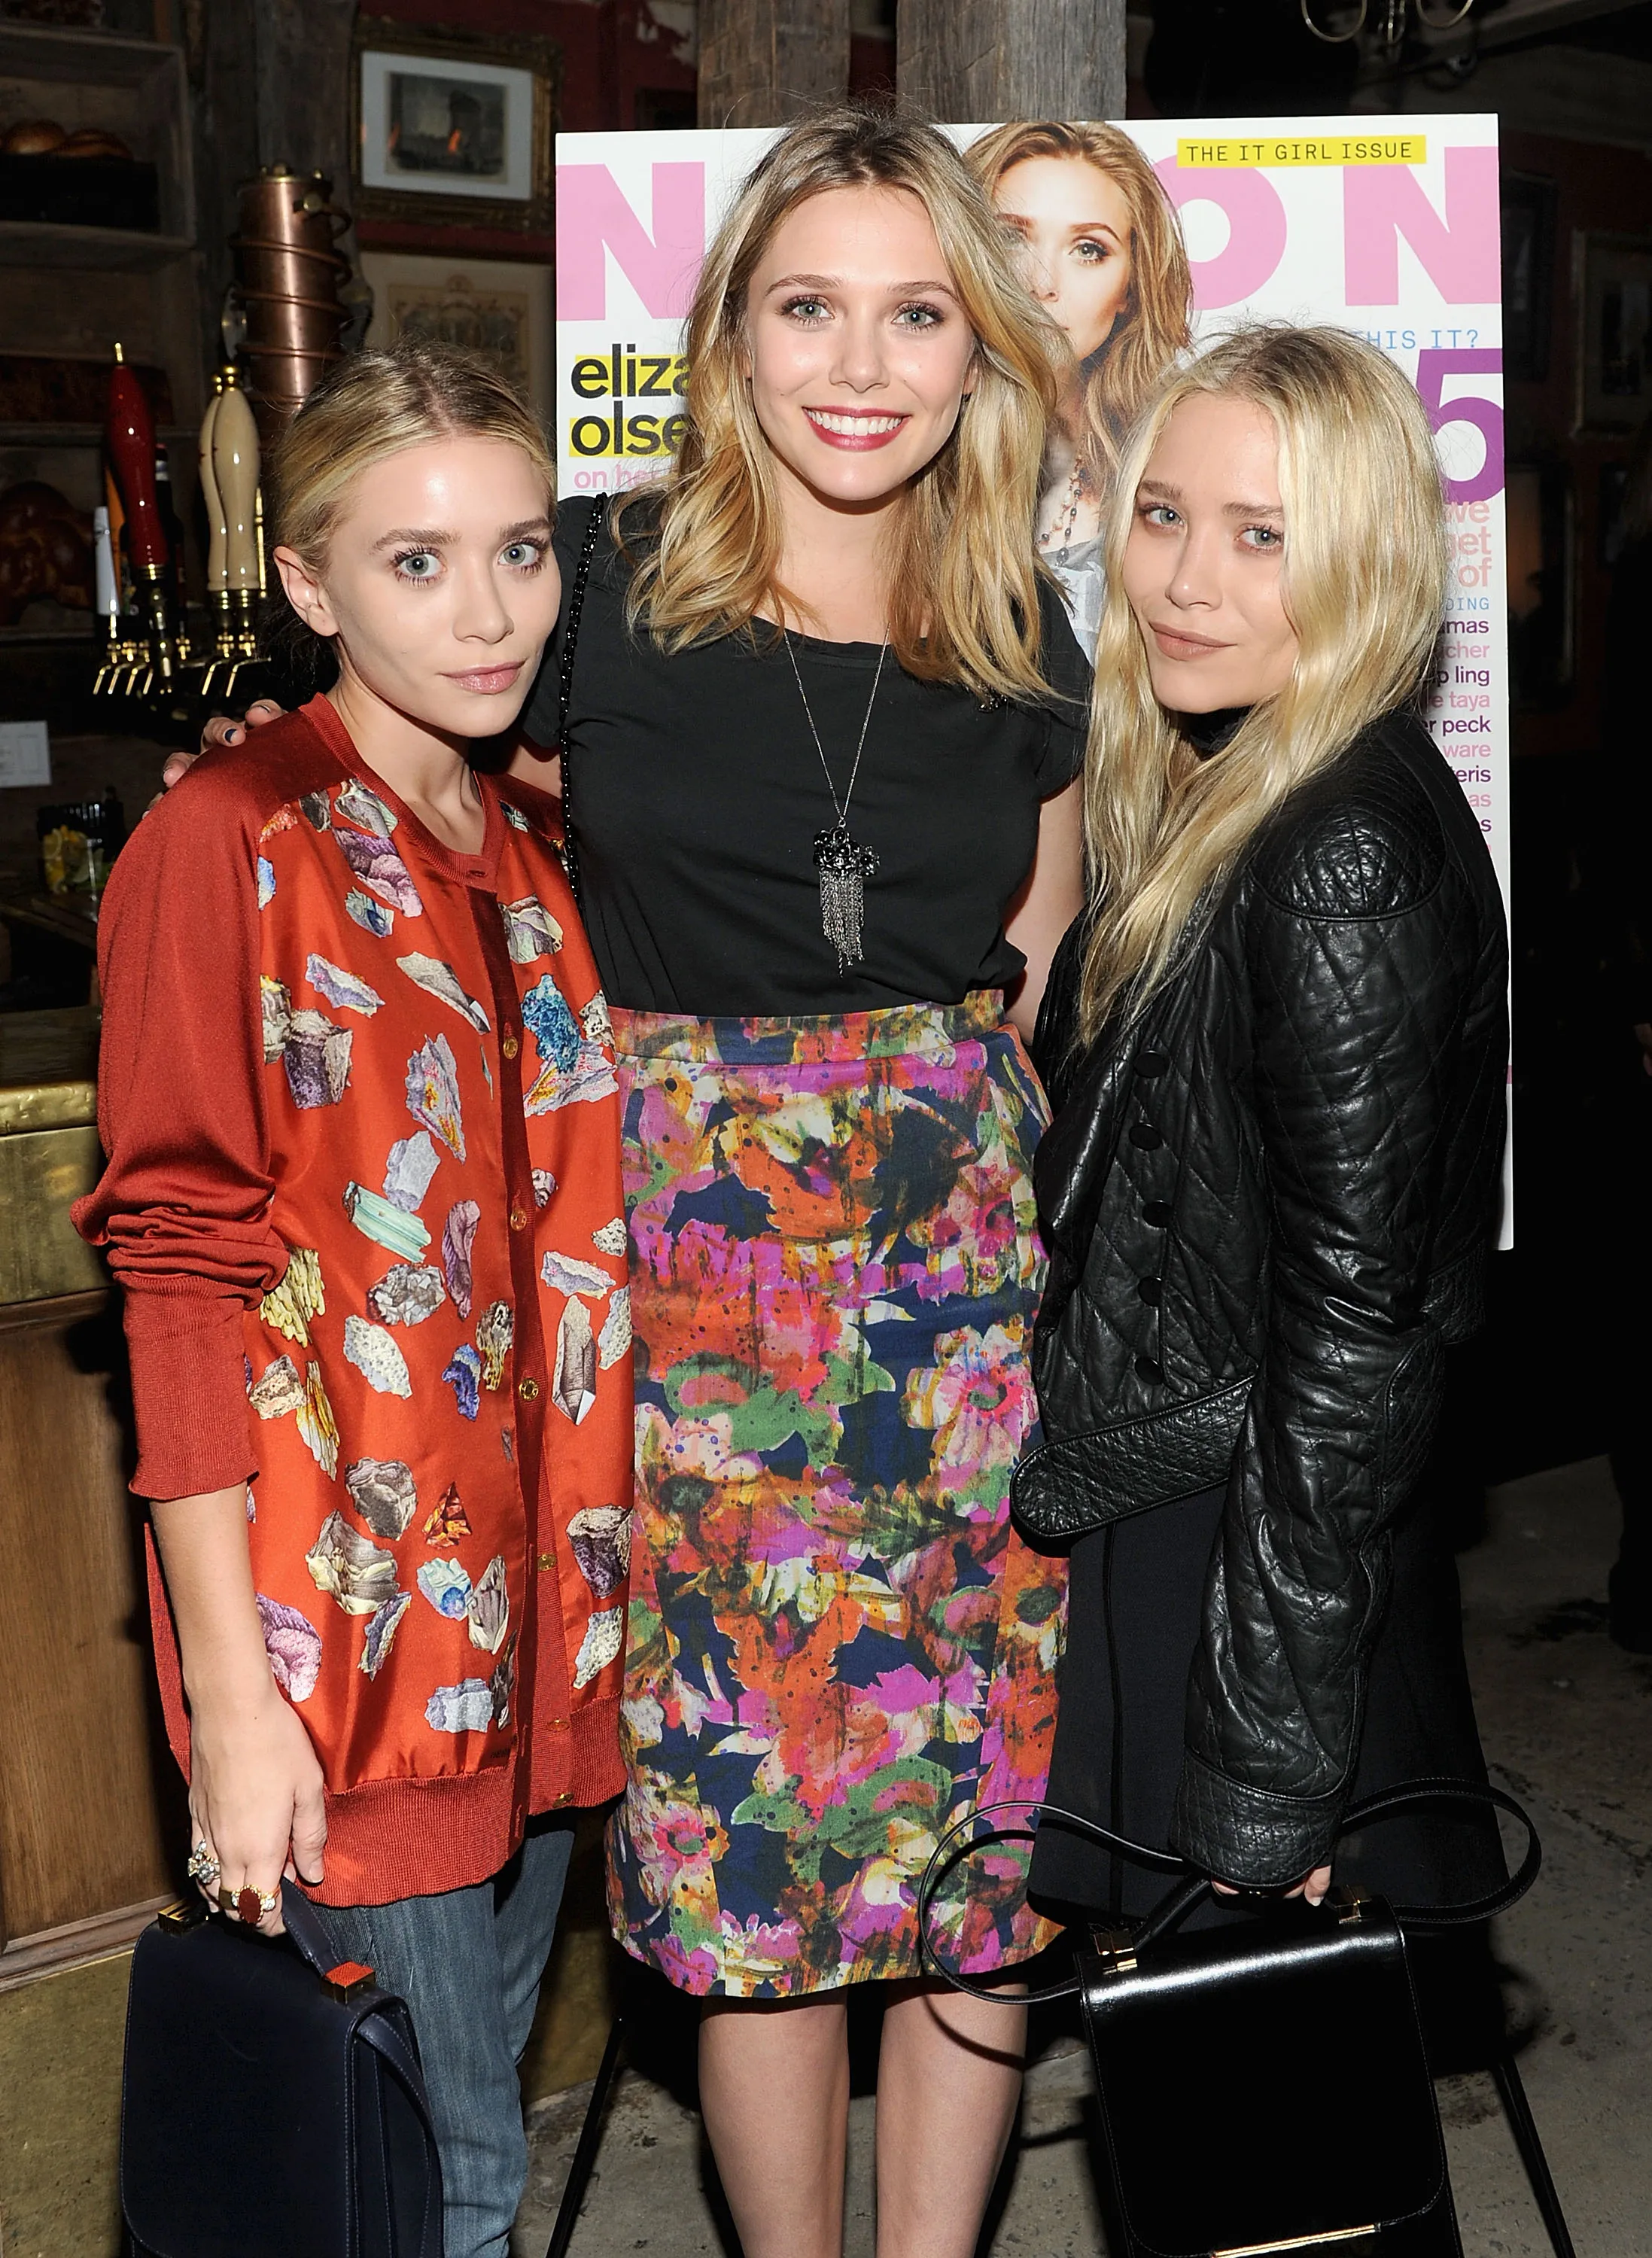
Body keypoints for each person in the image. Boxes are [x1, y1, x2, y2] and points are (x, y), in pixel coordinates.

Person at [184, 106, 1085, 2258]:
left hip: (961, 1346)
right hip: (675, 1338)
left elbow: (1027, 997)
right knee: (747, 1867)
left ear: (977, 354)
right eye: (805, 306)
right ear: (728, 333)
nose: (856, 364)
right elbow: (390, 795)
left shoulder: (1025, 631)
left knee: (973, 1866)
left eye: (914, 311)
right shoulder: (591, 585)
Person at [74, 341, 632, 2258]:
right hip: (353, 1658)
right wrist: (236, 1705)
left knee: (461, 2143)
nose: (485, 613)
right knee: (438, 2177)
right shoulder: (219, 842)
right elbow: (175, 1284)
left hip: (545, 1629)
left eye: (523, 550)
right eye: (414, 562)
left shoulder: (537, 840)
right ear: (308, 584)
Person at [1019, 325, 1510, 1937]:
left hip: (1241, 1533)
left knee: (1247, 2106)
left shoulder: (1332, 856)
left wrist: (1265, 1759)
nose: (1182, 580)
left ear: (1357, 565)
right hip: (1207, 1489)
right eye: (1158, 516)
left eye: (1256, 536)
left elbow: (1357, 1346)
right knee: (1209, 2096)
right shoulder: (1238, 789)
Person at [969, 120, 1192, 656]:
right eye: (1009, 237)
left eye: (1088, 249)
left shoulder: (1166, 470)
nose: (1042, 284)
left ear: (1130, 290)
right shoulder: (895, 461)